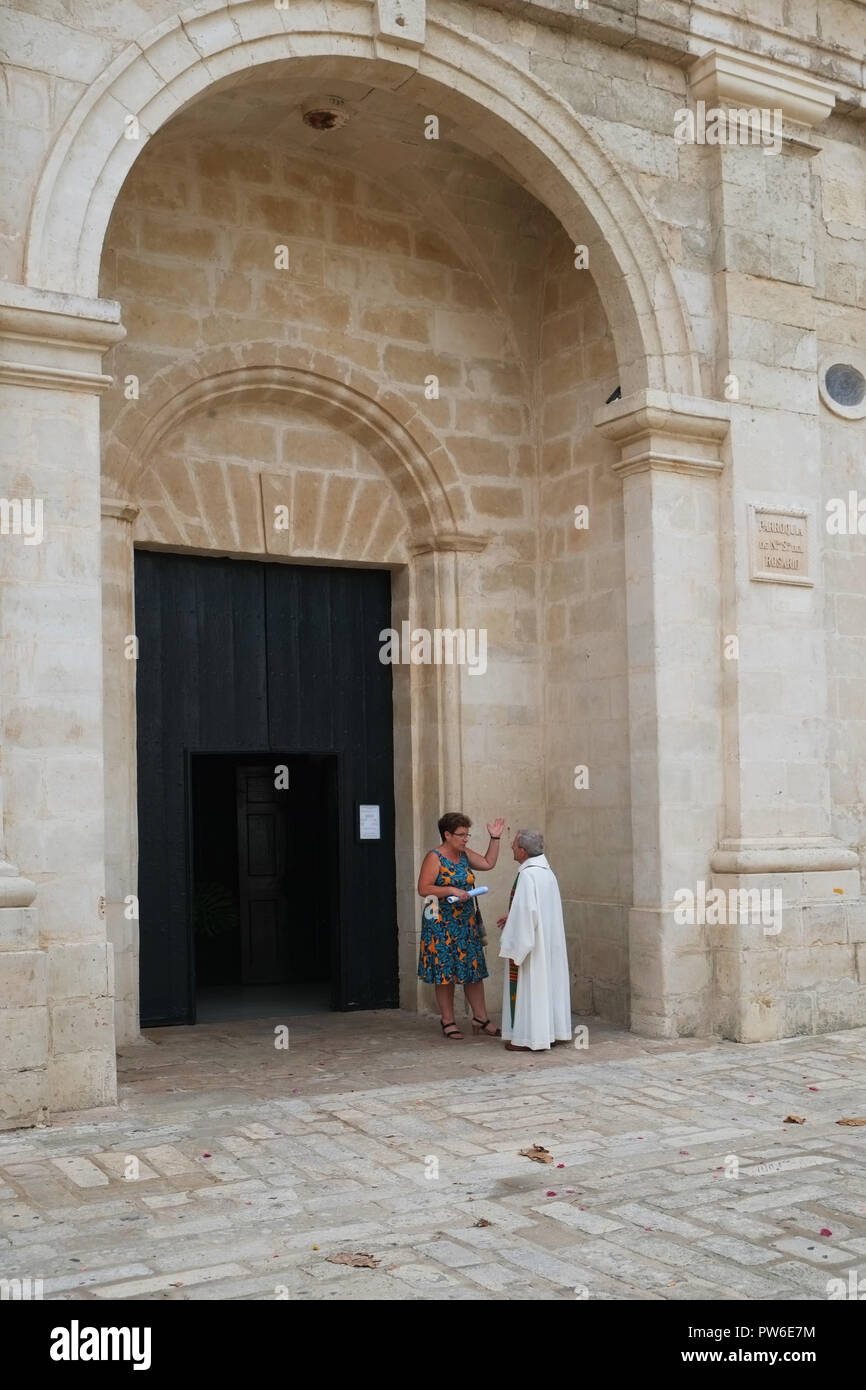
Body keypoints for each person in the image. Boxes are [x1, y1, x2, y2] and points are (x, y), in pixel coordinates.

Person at [418, 812, 506, 1039]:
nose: (465, 839)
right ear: (447, 835)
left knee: (473, 970)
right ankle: (448, 1020)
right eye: (461, 835)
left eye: (467, 834)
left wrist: (494, 838)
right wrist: (450, 890)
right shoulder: (435, 857)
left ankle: (481, 1017)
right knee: (445, 972)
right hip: (440, 922)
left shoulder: (464, 855)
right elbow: (424, 888)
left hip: (465, 921)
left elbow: (488, 863)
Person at [496, 829, 571, 1052]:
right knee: (547, 986)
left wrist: (514, 946)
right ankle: (550, 1032)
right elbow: (538, 908)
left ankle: (530, 1038)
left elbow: (528, 914)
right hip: (547, 941)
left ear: (522, 850)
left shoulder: (528, 875)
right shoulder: (547, 873)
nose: (511, 847)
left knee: (532, 986)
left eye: (513, 845)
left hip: (534, 945)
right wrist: (513, 916)